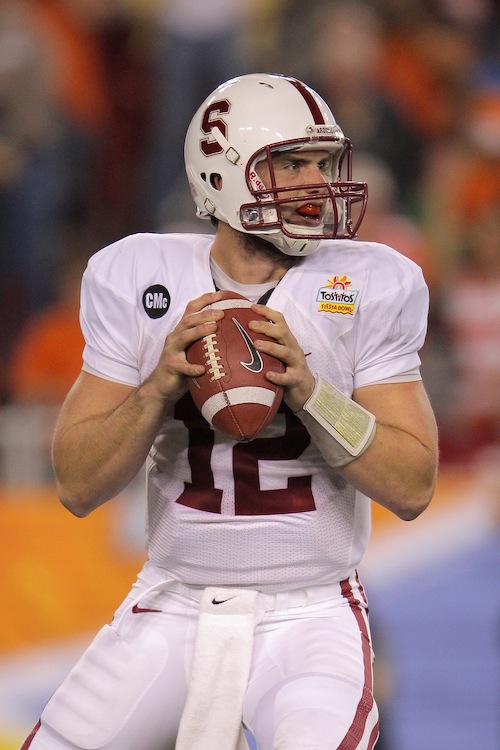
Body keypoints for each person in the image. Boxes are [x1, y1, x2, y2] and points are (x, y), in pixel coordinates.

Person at [21, 73, 438, 750]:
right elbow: (75, 483)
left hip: (310, 615)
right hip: (172, 600)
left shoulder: (368, 282)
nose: (317, 182)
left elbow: (413, 485)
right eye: (291, 164)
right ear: (223, 175)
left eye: (323, 162)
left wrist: (312, 393)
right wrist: (157, 387)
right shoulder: (140, 277)